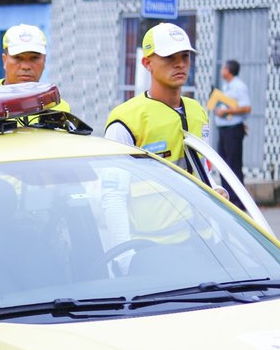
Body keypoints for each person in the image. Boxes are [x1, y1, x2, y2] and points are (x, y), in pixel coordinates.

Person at [102, 23, 218, 260]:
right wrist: (123, 257)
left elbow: (204, 173)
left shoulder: (198, 112)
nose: (180, 64)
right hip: (151, 248)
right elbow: (113, 195)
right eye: (169, 57)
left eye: (185, 56)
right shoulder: (127, 120)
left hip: (203, 243)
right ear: (147, 63)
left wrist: (216, 193)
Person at [0, 23, 70, 114]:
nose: (26, 66)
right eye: (18, 58)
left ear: (44, 60)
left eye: (34, 58)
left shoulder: (57, 108)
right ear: (4, 60)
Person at [213, 59, 251, 208]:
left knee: (233, 165)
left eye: (223, 68)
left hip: (233, 130)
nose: (222, 70)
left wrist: (226, 111)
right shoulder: (226, 86)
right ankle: (227, 198)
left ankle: (238, 201)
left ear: (228, 70)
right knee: (223, 164)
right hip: (223, 129)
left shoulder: (239, 87)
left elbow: (246, 108)